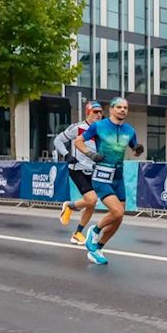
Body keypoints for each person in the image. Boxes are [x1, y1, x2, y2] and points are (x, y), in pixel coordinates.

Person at [76, 97, 145, 266]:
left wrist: (137, 150)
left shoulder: (129, 130)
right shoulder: (99, 126)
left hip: (118, 176)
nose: (123, 110)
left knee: (118, 218)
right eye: (119, 107)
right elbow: (78, 142)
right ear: (111, 110)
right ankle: (95, 229)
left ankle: (97, 248)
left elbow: (134, 149)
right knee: (117, 212)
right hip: (102, 175)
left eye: (125, 108)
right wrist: (90, 154)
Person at [55, 101, 105, 245]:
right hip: (78, 169)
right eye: (95, 112)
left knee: (91, 204)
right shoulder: (78, 128)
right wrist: (66, 155)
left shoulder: (101, 130)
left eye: (101, 112)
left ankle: (77, 233)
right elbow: (58, 140)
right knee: (92, 199)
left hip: (93, 170)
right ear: (88, 112)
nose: (99, 114)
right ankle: (69, 206)